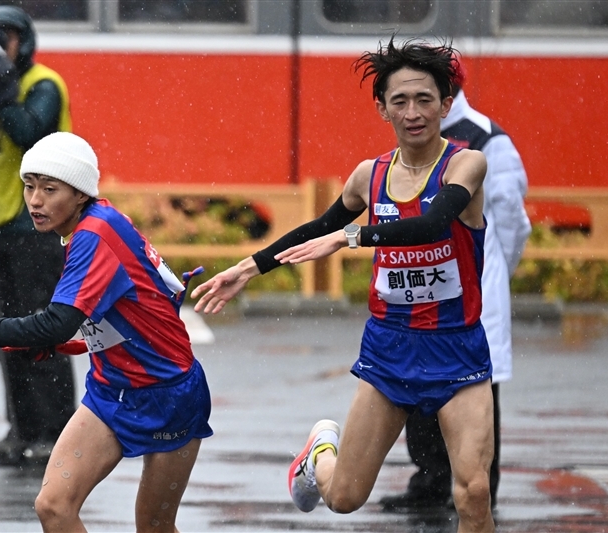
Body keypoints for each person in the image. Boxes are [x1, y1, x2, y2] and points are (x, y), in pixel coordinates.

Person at [192, 36, 495, 533]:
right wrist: (249, 266)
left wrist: (352, 236)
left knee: (474, 491)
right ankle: (319, 455)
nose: (413, 112)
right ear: (382, 110)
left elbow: (433, 225)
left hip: (456, 348)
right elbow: (317, 229)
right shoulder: (368, 176)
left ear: (446, 104)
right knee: (346, 498)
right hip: (390, 350)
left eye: (425, 100)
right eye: (400, 101)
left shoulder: (466, 165)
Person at [0, 132, 213, 532]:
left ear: (80, 195)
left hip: (167, 393)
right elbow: (116, 316)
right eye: (29, 186)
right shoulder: (90, 223)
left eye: (50, 189)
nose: (35, 200)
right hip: (110, 390)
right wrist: (64, 343)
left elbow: (57, 319)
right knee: (53, 507)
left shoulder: (94, 235)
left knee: (155, 527)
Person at [379, 56, 532, 512]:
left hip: (472, 276)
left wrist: (494, 267)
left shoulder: (487, 139)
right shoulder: (437, 126)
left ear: (444, 93)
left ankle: (471, 488)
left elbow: (508, 217)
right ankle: (432, 484)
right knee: (426, 376)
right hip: (433, 275)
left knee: (471, 386)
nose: (413, 108)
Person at [0, 4, 76, 465]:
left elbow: (33, 132)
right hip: (4, 225)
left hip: (37, 227)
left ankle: (55, 433)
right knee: (7, 329)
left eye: (4, 38)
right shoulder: (5, 91)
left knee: (43, 330)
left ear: (23, 41)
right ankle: (23, 428)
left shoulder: (42, 85)